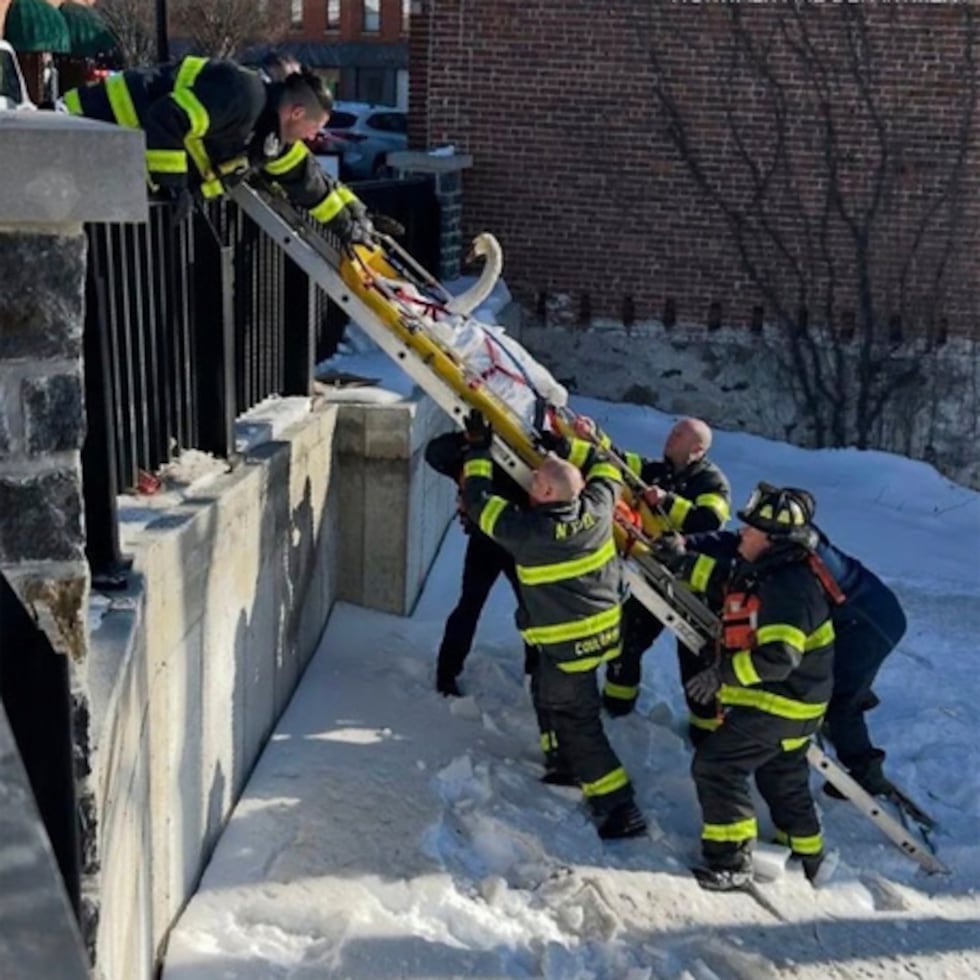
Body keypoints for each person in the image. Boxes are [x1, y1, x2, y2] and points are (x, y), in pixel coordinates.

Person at [458, 410, 646, 840]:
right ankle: (560, 763)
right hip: (602, 633)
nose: (530, 488)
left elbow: (478, 501)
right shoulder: (598, 508)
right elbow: (605, 467)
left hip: (568, 647)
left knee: (579, 721)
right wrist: (568, 448)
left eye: (535, 481)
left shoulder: (528, 532)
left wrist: (478, 449)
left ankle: (619, 807)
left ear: (543, 490)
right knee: (547, 693)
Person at [658, 484, 835, 889]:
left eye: (751, 529)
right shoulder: (771, 570)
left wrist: (721, 674)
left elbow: (778, 658)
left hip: (782, 704)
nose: (742, 533)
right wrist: (682, 562)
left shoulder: (789, 589)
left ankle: (730, 862)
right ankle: (809, 857)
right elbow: (726, 582)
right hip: (798, 704)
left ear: (773, 540)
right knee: (782, 779)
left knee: (717, 765)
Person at [690, 488, 907, 796]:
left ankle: (866, 774)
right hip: (865, 613)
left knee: (840, 701)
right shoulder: (787, 538)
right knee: (839, 690)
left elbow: (744, 563)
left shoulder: (797, 558)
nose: (745, 533)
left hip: (869, 623)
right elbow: (735, 544)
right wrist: (687, 544)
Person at [61, 56, 369, 244]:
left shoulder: (269, 137)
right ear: (297, 113)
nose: (314, 137)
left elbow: (307, 182)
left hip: (111, 160)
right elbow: (169, 116)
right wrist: (173, 187)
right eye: (315, 128)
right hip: (87, 128)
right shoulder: (244, 95)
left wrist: (352, 219)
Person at [575, 416, 731, 727]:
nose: (670, 437)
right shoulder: (660, 470)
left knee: (695, 662)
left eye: (679, 435)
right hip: (656, 577)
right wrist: (594, 436)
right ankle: (617, 703)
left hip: (693, 588)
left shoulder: (713, 482)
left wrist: (668, 501)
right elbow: (621, 461)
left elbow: (709, 521)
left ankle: (707, 731)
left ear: (697, 449)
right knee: (626, 637)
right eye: (673, 432)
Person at [424, 430, 536, 696]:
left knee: (532, 610)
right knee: (471, 604)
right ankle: (446, 674)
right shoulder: (474, 449)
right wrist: (469, 439)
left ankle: (537, 675)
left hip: (520, 541)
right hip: (489, 540)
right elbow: (435, 454)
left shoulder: (527, 449)